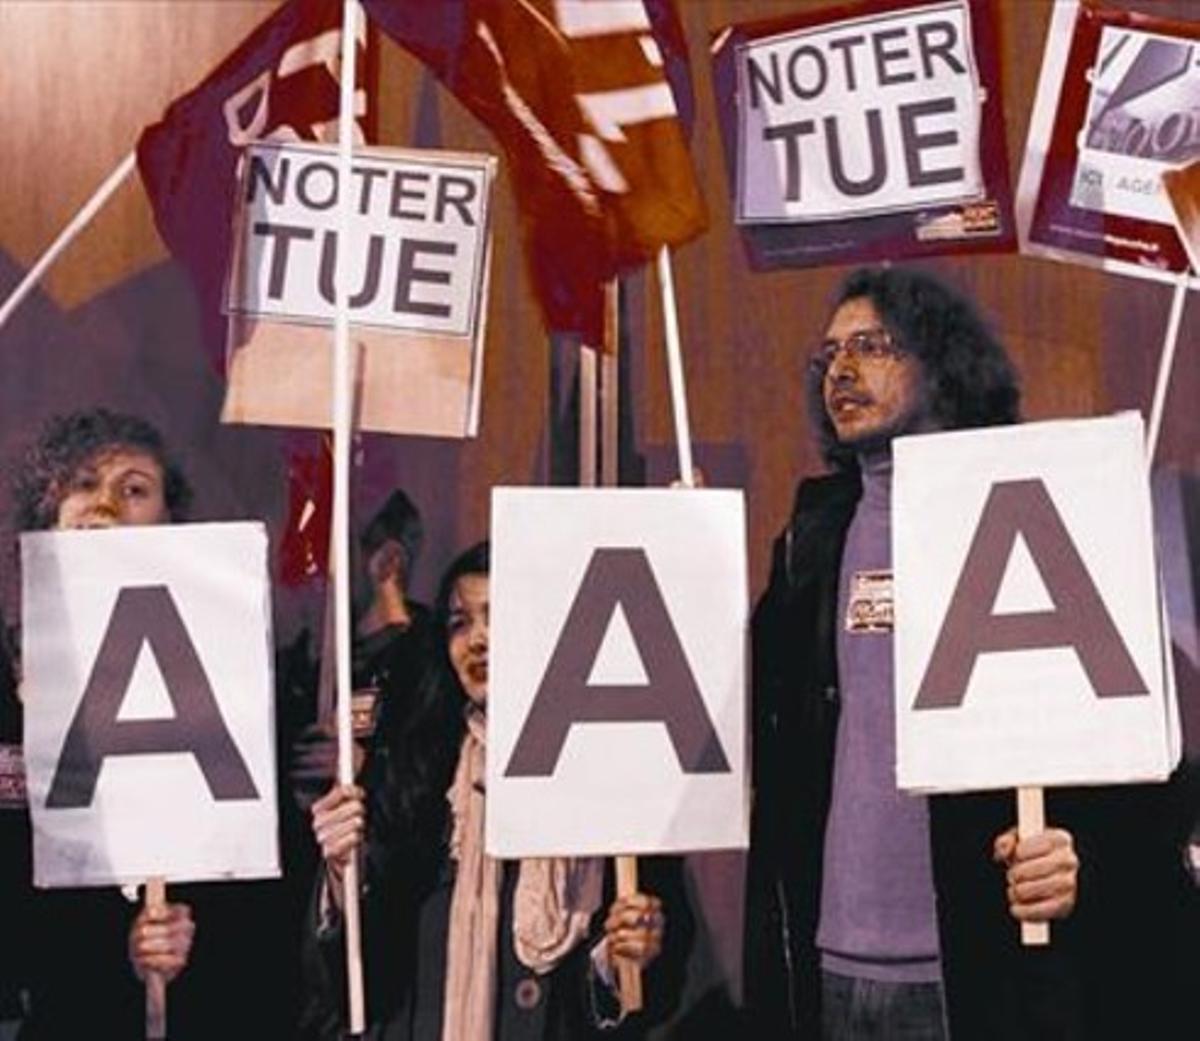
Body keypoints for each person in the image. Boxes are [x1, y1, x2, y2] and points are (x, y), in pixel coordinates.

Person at [743, 267, 1197, 1040]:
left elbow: (1132, 759)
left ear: (944, 360)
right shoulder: (808, 543)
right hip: (830, 967)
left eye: (873, 345)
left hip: (977, 966)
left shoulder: (1029, 503)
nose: (843, 371)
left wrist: (1081, 854)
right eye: (829, 356)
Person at [305, 542, 689, 1041]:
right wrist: (340, 875)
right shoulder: (417, 767)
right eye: (459, 623)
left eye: (496, 616)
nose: (477, 640)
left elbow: (644, 994)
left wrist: (619, 960)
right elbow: (348, 977)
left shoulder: (602, 778)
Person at [12, 407, 298, 1040]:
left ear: (172, 524)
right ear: (48, 510)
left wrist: (189, 936)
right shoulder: (9, 673)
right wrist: (105, 949)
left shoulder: (228, 672)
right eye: (84, 483)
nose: (105, 504)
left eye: (134, 489)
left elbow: (256, 885)